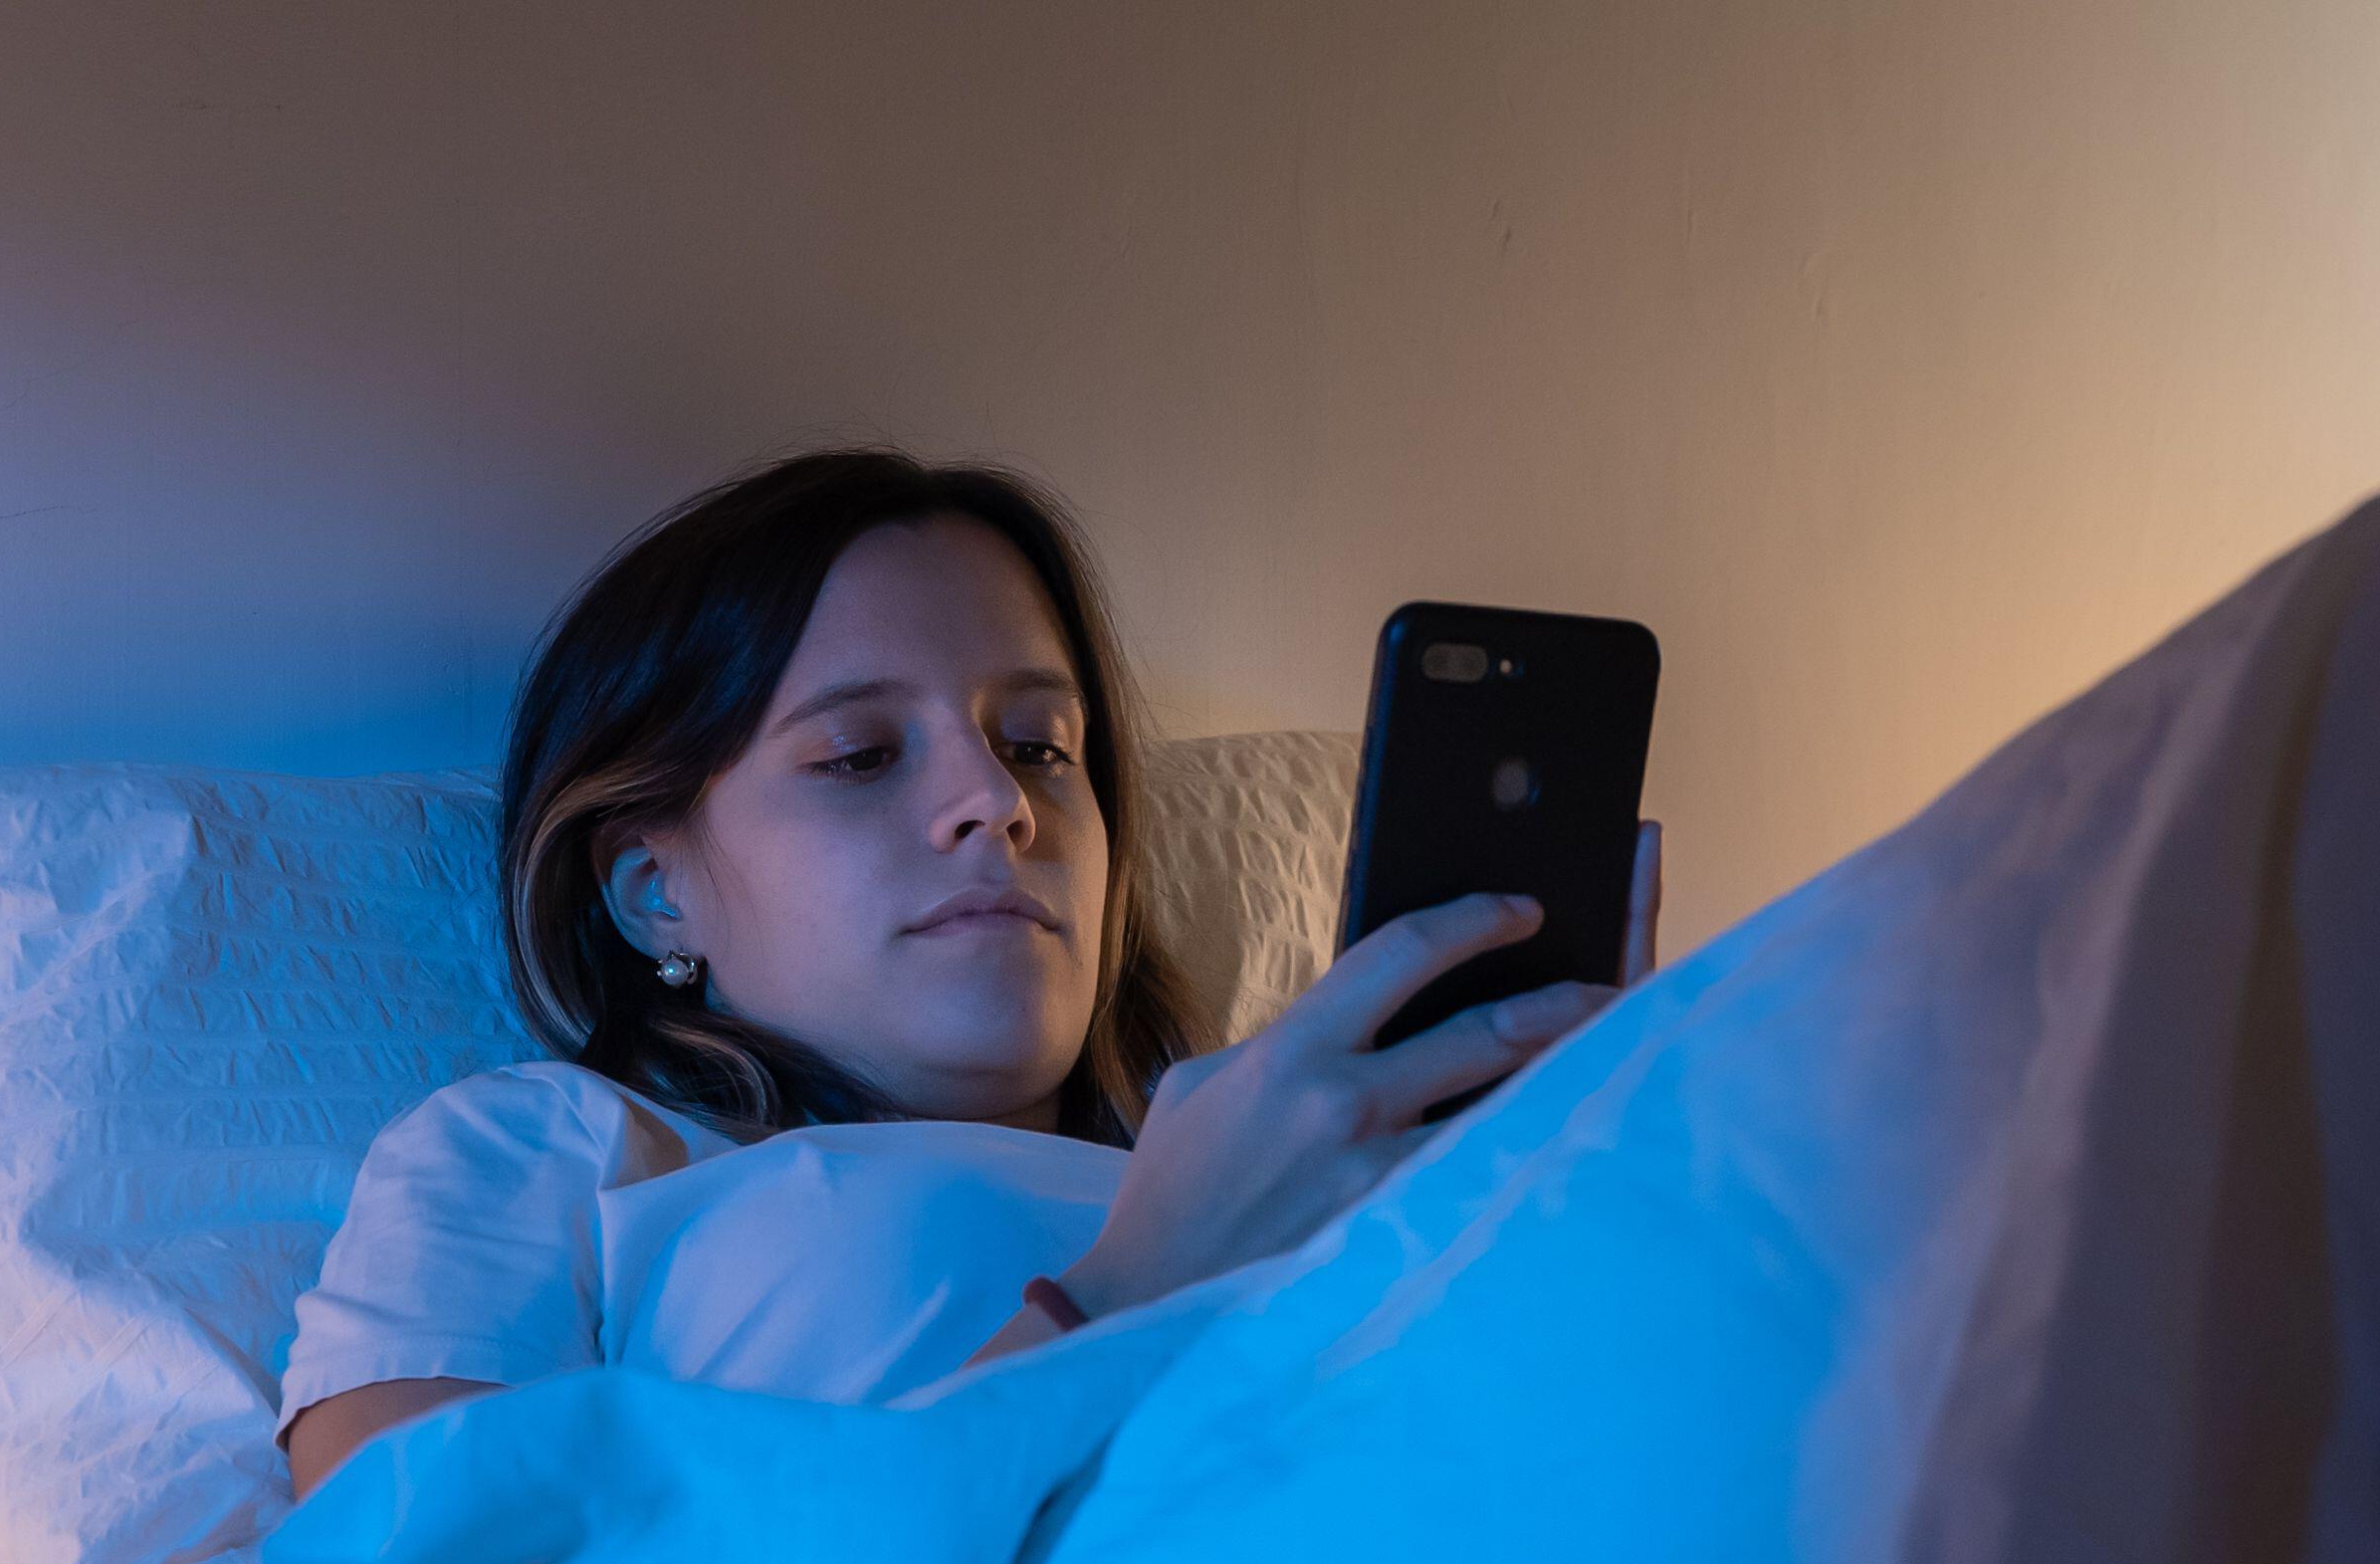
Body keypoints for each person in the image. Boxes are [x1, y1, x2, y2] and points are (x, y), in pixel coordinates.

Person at [280, 448, 1654, 1500]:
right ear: (656, 888)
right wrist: (1125, 1292)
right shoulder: (546, 1153)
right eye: (862, 755)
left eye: (1043, 746)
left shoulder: (1307, 1164)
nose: (997, 804)